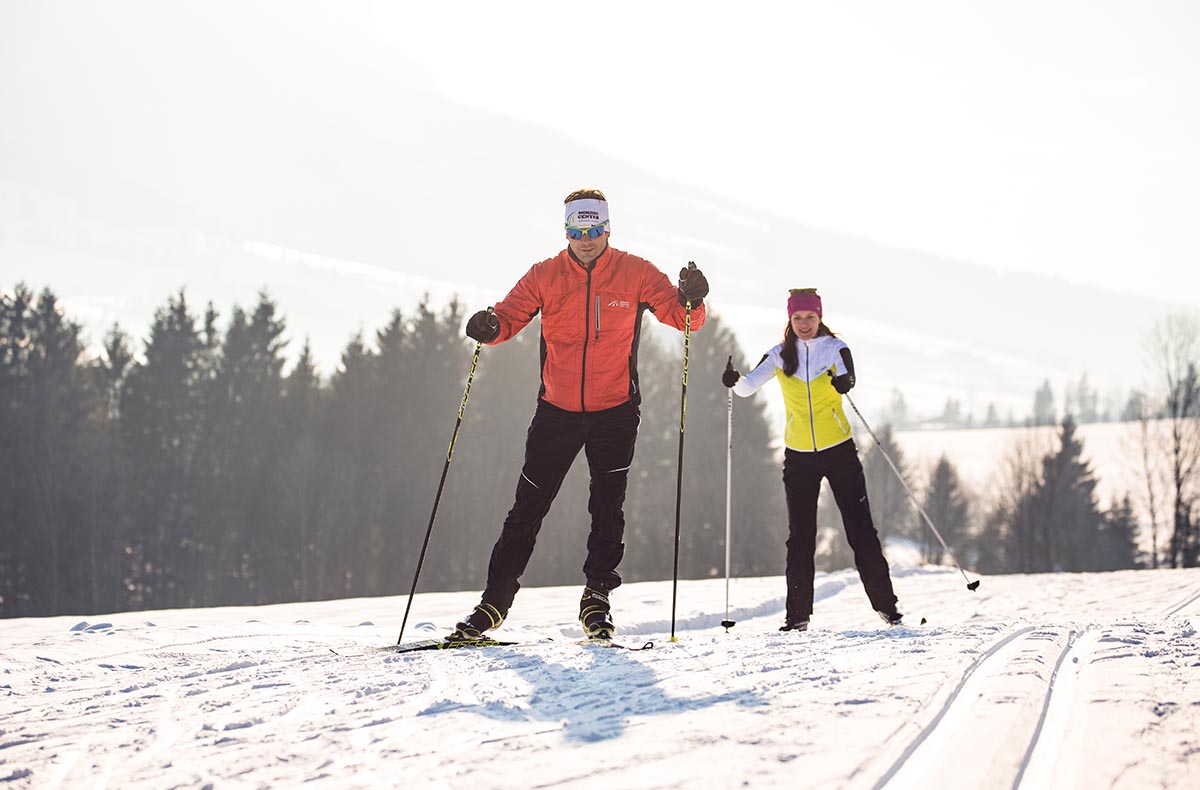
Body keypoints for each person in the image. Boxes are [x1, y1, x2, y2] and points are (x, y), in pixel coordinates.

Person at [452, 188, 709, 641]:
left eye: (593, 229)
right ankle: (493, 604)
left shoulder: (635, 272)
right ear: (565, 230)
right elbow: (507, 317)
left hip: (615, 411)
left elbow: (683, 318)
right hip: (557, 410)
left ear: (607, 228)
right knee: (527, 508)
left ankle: (597, 599)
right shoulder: (545, 275)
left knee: (607, 508)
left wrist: (692, 299)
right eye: (576, 229)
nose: (585, 238)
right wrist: (488, 327)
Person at [721, 288, 901, 632]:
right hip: (799, 456)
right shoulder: (778, 355)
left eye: (810, 317)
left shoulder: (834, 349)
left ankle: (888, 608)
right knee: (800, 536)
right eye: (797, 318)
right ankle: (797, 616)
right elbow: (746, 388)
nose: (804, 324)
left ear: (820, 317)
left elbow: (848, 376)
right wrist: (733, 381)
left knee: (860, 529)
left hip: (839, 451)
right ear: (789, 320)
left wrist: (843, 382)